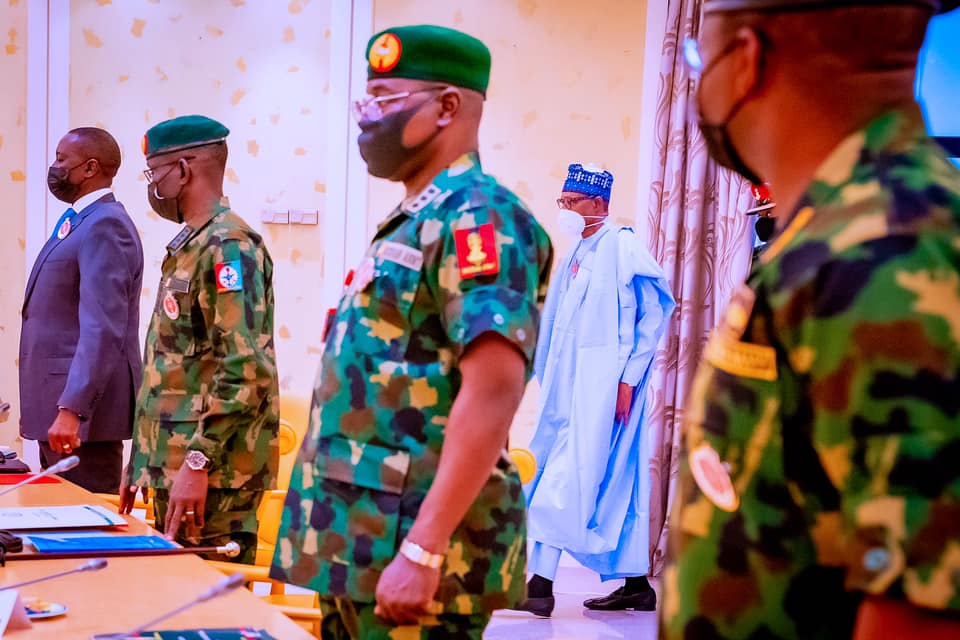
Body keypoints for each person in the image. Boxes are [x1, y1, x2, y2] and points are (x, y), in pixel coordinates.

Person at [663, 1, 960, 639]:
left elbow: (918, 613)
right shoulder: (840, 231)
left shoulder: (890, 253)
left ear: (745, 62)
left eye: (698, 59)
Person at [269, 24, 553, 639]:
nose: (368, 118)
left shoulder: (481, 216)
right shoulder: (414, 219)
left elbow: (496, 388)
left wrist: (424, 551)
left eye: (385, 99)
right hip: (359, 540)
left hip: (415, 548)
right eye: (364, 101)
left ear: (447, 106)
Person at [515, 164, 675, 617]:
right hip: (568, 388)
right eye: (562, 202)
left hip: (604, 388)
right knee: (610, 482)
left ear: (599, 204)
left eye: (572, 202)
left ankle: (540, 587)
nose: (564, 210)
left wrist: (628, 379)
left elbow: (655, 311)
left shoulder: (622, 246)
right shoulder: (577, 253)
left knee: (561, 480)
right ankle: (637, 586)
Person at [120, 115, 279, 565]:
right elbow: (174, 367)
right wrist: (143, 459)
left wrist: (197, 463)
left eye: (155, 174)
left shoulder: (229, 246)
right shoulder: (193, 244)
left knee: (207, 620)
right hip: (177, 467)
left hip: (215, 475)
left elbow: (246, 369)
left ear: (184, 171)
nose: (152, 186)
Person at [19, 127, 143, 494]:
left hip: (82, 421)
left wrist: (73, 409)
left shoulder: (106, 225)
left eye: (62, 160)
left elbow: (103, 328)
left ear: (90, 168)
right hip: (59, 411)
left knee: (80, 530)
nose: (55, 167)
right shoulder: (78, 221)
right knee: (58, 527)